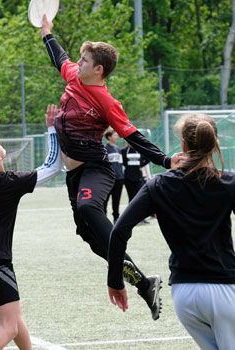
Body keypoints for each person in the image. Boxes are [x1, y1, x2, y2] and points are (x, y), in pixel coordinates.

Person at [39, 15, 185, 320]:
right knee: (88, 234)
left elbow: (133, 135)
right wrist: (46, 34)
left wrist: (164, 160)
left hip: (97, 168)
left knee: (90, 209)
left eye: (85, 59)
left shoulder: (107, 102)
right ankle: (145, 283)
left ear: (98, 69)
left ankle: (121, 274)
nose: (78, 62)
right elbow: (60, 58)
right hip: (74, 174)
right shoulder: (74, 78)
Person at [107, 113, 235, 349]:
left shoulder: (158, 185)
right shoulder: (228, 183)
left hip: (184, 296)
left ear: (184, 145)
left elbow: (119, 231)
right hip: (224, 290)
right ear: (215, 143)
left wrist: (114, 280)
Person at [0, 105, 62, 350]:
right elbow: (53, 166)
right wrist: (52, 128)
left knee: (14, 317)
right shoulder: (9, 183)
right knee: (8, 327)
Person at [103, 129, 124, 223]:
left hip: (119, 179)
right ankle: (103, 218)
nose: (116, 136)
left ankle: (116, 218)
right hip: (108, 179)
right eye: (115, 135)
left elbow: (120, 164)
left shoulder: (118, 149)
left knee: (116, 200)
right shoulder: (105, 149)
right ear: (109, 137)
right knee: (105, 200)